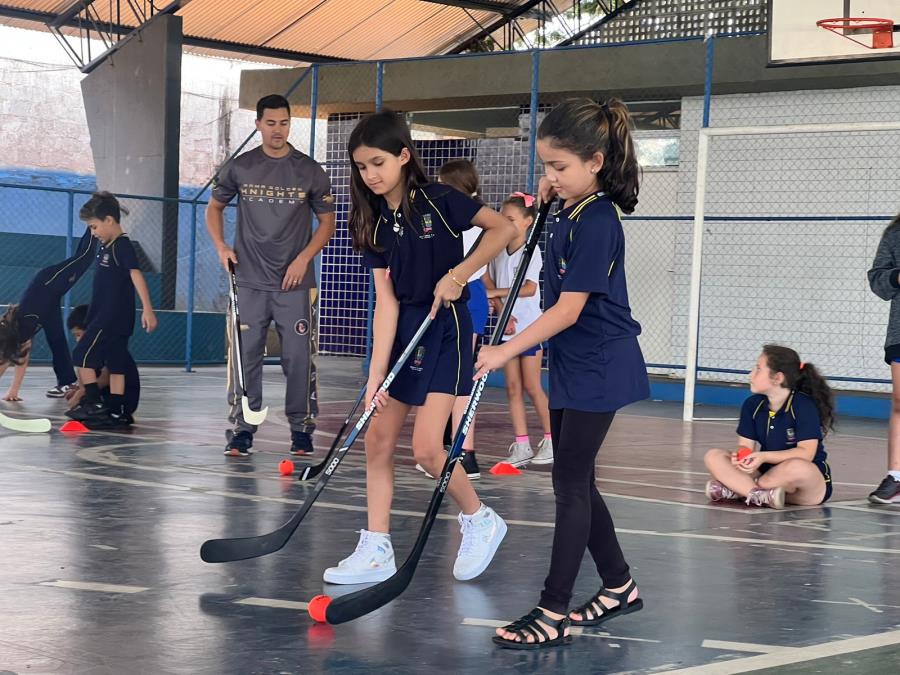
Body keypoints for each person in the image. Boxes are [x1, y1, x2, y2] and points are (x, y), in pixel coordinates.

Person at [474, 98, 648, 649]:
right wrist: (548, 200)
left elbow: (568, 309)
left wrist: (505, 351)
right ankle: (618, 584)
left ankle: (552, 610)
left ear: (595, 162)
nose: (550, 177)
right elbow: (549, 244)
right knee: (571, 479)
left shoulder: (598, 220)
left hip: (600, 361)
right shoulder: (569, 209)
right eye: (546, 167)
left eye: (560, 167)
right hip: (574, 361)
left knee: (571, 484)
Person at [322, 110, 516, 586]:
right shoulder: (369, 220)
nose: (370, 174)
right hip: (406, 324)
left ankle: (480, 518)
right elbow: (385, 303)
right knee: (377, 439)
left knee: (429, 451)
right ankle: (376, 548)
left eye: (378, 162)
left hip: (446, 328)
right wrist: (375, 378)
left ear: (404, 156)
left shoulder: (441, 200)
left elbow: (503, 230)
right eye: (361, 166)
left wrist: (459, 275)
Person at [206, 94, 337, 457]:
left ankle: (301, 428)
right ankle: (243, 427)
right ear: (259, 124)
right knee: (245, 356)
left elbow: (328, 222)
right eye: (271, 123)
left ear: (289, 124)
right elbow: (214, 208)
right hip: (247, 280)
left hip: (295, 283)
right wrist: (221, 247)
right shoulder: (241, 167)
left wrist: (304, 258)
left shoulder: (309, 170)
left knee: (297, 358)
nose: (277, 130)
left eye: (283, 123)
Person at [703, 345, 835, 509]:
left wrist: (764, 457)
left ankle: (740, 490)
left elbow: (806, 453)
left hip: (805, 481)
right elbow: (745, 446)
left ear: (777, 378)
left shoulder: (803, 406)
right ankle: (758, 494)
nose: (750, 374)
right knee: (713, 456)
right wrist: (741, 457)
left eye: (758, 369)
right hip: (764, 472)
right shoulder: (752, 405)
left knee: (795, 467)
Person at [67, 192, 156, 428]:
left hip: (109, 317)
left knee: (81, 355)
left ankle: (94, 403)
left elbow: (136, 276)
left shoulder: (121, 246)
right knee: (116, 362)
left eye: (94, 227)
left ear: (109, 220)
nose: (93, 232)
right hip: (114, 318)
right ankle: (118, 410)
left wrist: (147, 309)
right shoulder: (106, 246)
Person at [484, 192, 553, 468]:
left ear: (527, 222)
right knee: (512, 388)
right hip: (508, 327)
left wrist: (497, 295)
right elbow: (488, 279)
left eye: (511, 219)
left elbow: (529, 288)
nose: (506, 223)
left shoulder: (531, 251)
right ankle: (521, 444)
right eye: (502, 218)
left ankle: (551, 439)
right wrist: (502, 310)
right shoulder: (498, 249)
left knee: (533, 386)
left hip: (528, 327)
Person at [0, 226, 97, 401]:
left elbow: (12, 360)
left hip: (48, 283)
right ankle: (66, 381)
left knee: (85, 257)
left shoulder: (17, 331)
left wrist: (13, 390)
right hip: (48, 302)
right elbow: (20, 359)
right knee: (57, 339)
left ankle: (94, 221)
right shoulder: (18, 334)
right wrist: (13, 391)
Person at [867, 212, 900, 504]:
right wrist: (897, 276)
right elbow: (878, 280)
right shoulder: (895, 233)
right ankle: (896, 477)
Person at [65, 304, 140, 423]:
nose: (78, 340)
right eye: (75, 336)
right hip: (104, 394)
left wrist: (80, 394)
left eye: (79, 335)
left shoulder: (110, 346)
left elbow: (106, 377)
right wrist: (79, 389)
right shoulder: (89, 352)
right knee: (85, 400)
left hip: (124, 399)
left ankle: (114, 413)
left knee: (85, 400)